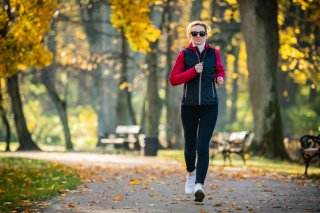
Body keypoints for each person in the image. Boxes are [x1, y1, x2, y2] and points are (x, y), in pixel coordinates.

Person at [169, 21, 225, 202]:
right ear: (190, 35)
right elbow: (173, 79)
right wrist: (193, 71)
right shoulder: (184, 54)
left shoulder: (213, 53)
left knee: (203, 146)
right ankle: (191, 174)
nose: (198, 36)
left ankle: (199, 185)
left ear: (207, 35)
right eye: (195, 33)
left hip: (210, 105)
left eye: (202, 33)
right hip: (189, 106)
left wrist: (220, 78)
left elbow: (219, 69)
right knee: (190, 147)